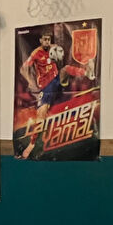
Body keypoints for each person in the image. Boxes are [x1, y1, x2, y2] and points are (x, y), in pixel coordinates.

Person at [18, 27, 94, 159]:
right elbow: (23, 68)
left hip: (56, 80)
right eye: (45, 39)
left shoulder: (54, 48)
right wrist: (30, 81)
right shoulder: (36, 53)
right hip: (46, 87)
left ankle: (88, 73)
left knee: (66, 69)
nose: (47, 42)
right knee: (41, 116)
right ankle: (31, 144)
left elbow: (60, 56)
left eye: (49, 39)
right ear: (41, 40)